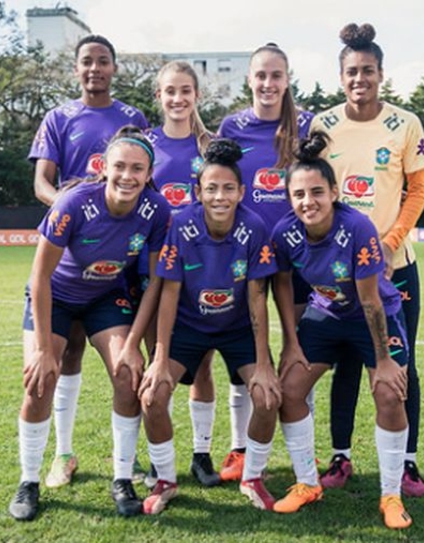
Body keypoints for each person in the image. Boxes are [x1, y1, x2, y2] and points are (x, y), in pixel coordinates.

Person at [8, 127, 171, 521]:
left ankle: (121, 478)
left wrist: (133, 343)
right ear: (104, 168)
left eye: (137, 168)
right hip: (57, 298)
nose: (127, 176)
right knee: (40, 379)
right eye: (120, 167)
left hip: (105, 298)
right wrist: (46, 350)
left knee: (127, 372)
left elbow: (152, 284)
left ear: (149, 173)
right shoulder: (74, 203)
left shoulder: (156, 210)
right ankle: (28, 481)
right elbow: (40, 278)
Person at [309, 23, 424, 498]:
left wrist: (391, 240)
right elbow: (312, 184)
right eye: (352, 72)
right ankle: (341, 456)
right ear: (342, 78)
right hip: (339, 271)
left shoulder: (406, 124)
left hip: (395, 265)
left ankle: (407, 463)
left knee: (402, 364)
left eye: (368, 71)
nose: (360, 78)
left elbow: (417, 189)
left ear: (382, 74)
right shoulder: (324, 124)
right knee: (345, 362)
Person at [270, 131, 412, 529]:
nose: (307, 201)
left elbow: (369, 300)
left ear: (334, 192)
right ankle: (306, 484)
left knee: (389, 393)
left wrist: (383, 361)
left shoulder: (358, 228)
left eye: (316, 192)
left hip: (374, 315)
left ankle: (390, 495)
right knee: (290, 391)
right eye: (298, 194)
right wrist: (290, 343)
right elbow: (282, 285)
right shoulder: (285, 232)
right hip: (326, 314)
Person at [27, 34, 149, 489]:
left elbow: (143, 171)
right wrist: (70, 209)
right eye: (86, 62)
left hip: (119, 259)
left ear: (114, 68)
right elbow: (42, 180)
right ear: (76, 69)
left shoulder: (132, 118)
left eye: (103, 61)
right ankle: (63, 454)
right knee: (66, 352)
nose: (95, 68)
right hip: (69, 251)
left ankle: (127, 461)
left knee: (123, 359)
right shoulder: (59, 117)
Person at [138, 139, 280, 515]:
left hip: (236, 328)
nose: (220, 196)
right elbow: (169, 293)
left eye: (228, 188)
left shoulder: (254, 227)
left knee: (267, 395)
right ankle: (166, 480)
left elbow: (256, 298)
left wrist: (264, 362)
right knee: (152, 395)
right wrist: (160, 356)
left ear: (241, 191)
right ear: (197, 191)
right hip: (188, 326)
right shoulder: (181, 224)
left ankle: (253, 477)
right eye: (211, 188)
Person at [216, 42, 313, 482]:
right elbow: (220, 183)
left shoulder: (308, 125)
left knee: (297, 355)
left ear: (287, 79)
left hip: (298, 257)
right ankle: (239, 450)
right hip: (247, 256)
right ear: (249, 80)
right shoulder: (232, 125)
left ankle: (301, 459)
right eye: (261, 76)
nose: (268, 84)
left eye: (276, 76)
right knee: (245, 356)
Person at [142, 60, 222, 488]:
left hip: (200, 271)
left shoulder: (209, 146)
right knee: (156, 362)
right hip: (152, 269)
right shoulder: (146, 145)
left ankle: (201, 453)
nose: (178, 98)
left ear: (197, 96)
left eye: (185, 90)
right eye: (169, 91)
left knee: (202, 366)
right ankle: (159, 457)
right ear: (159, 96)